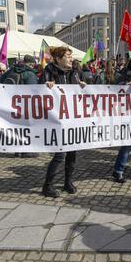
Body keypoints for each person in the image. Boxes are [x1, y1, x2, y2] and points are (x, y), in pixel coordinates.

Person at [40, 46, 87, 198]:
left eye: (70, 56)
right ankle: (47, 186)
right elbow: (36, 92)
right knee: (60, 155)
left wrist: (83, 86)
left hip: (72, 119)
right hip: (57, 120)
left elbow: (81, 91)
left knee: (72, 153)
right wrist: (46, 86)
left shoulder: (75, 72)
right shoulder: (49, 71)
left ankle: (68, 182)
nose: (71, 58)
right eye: (67, 56)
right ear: (58, 59)